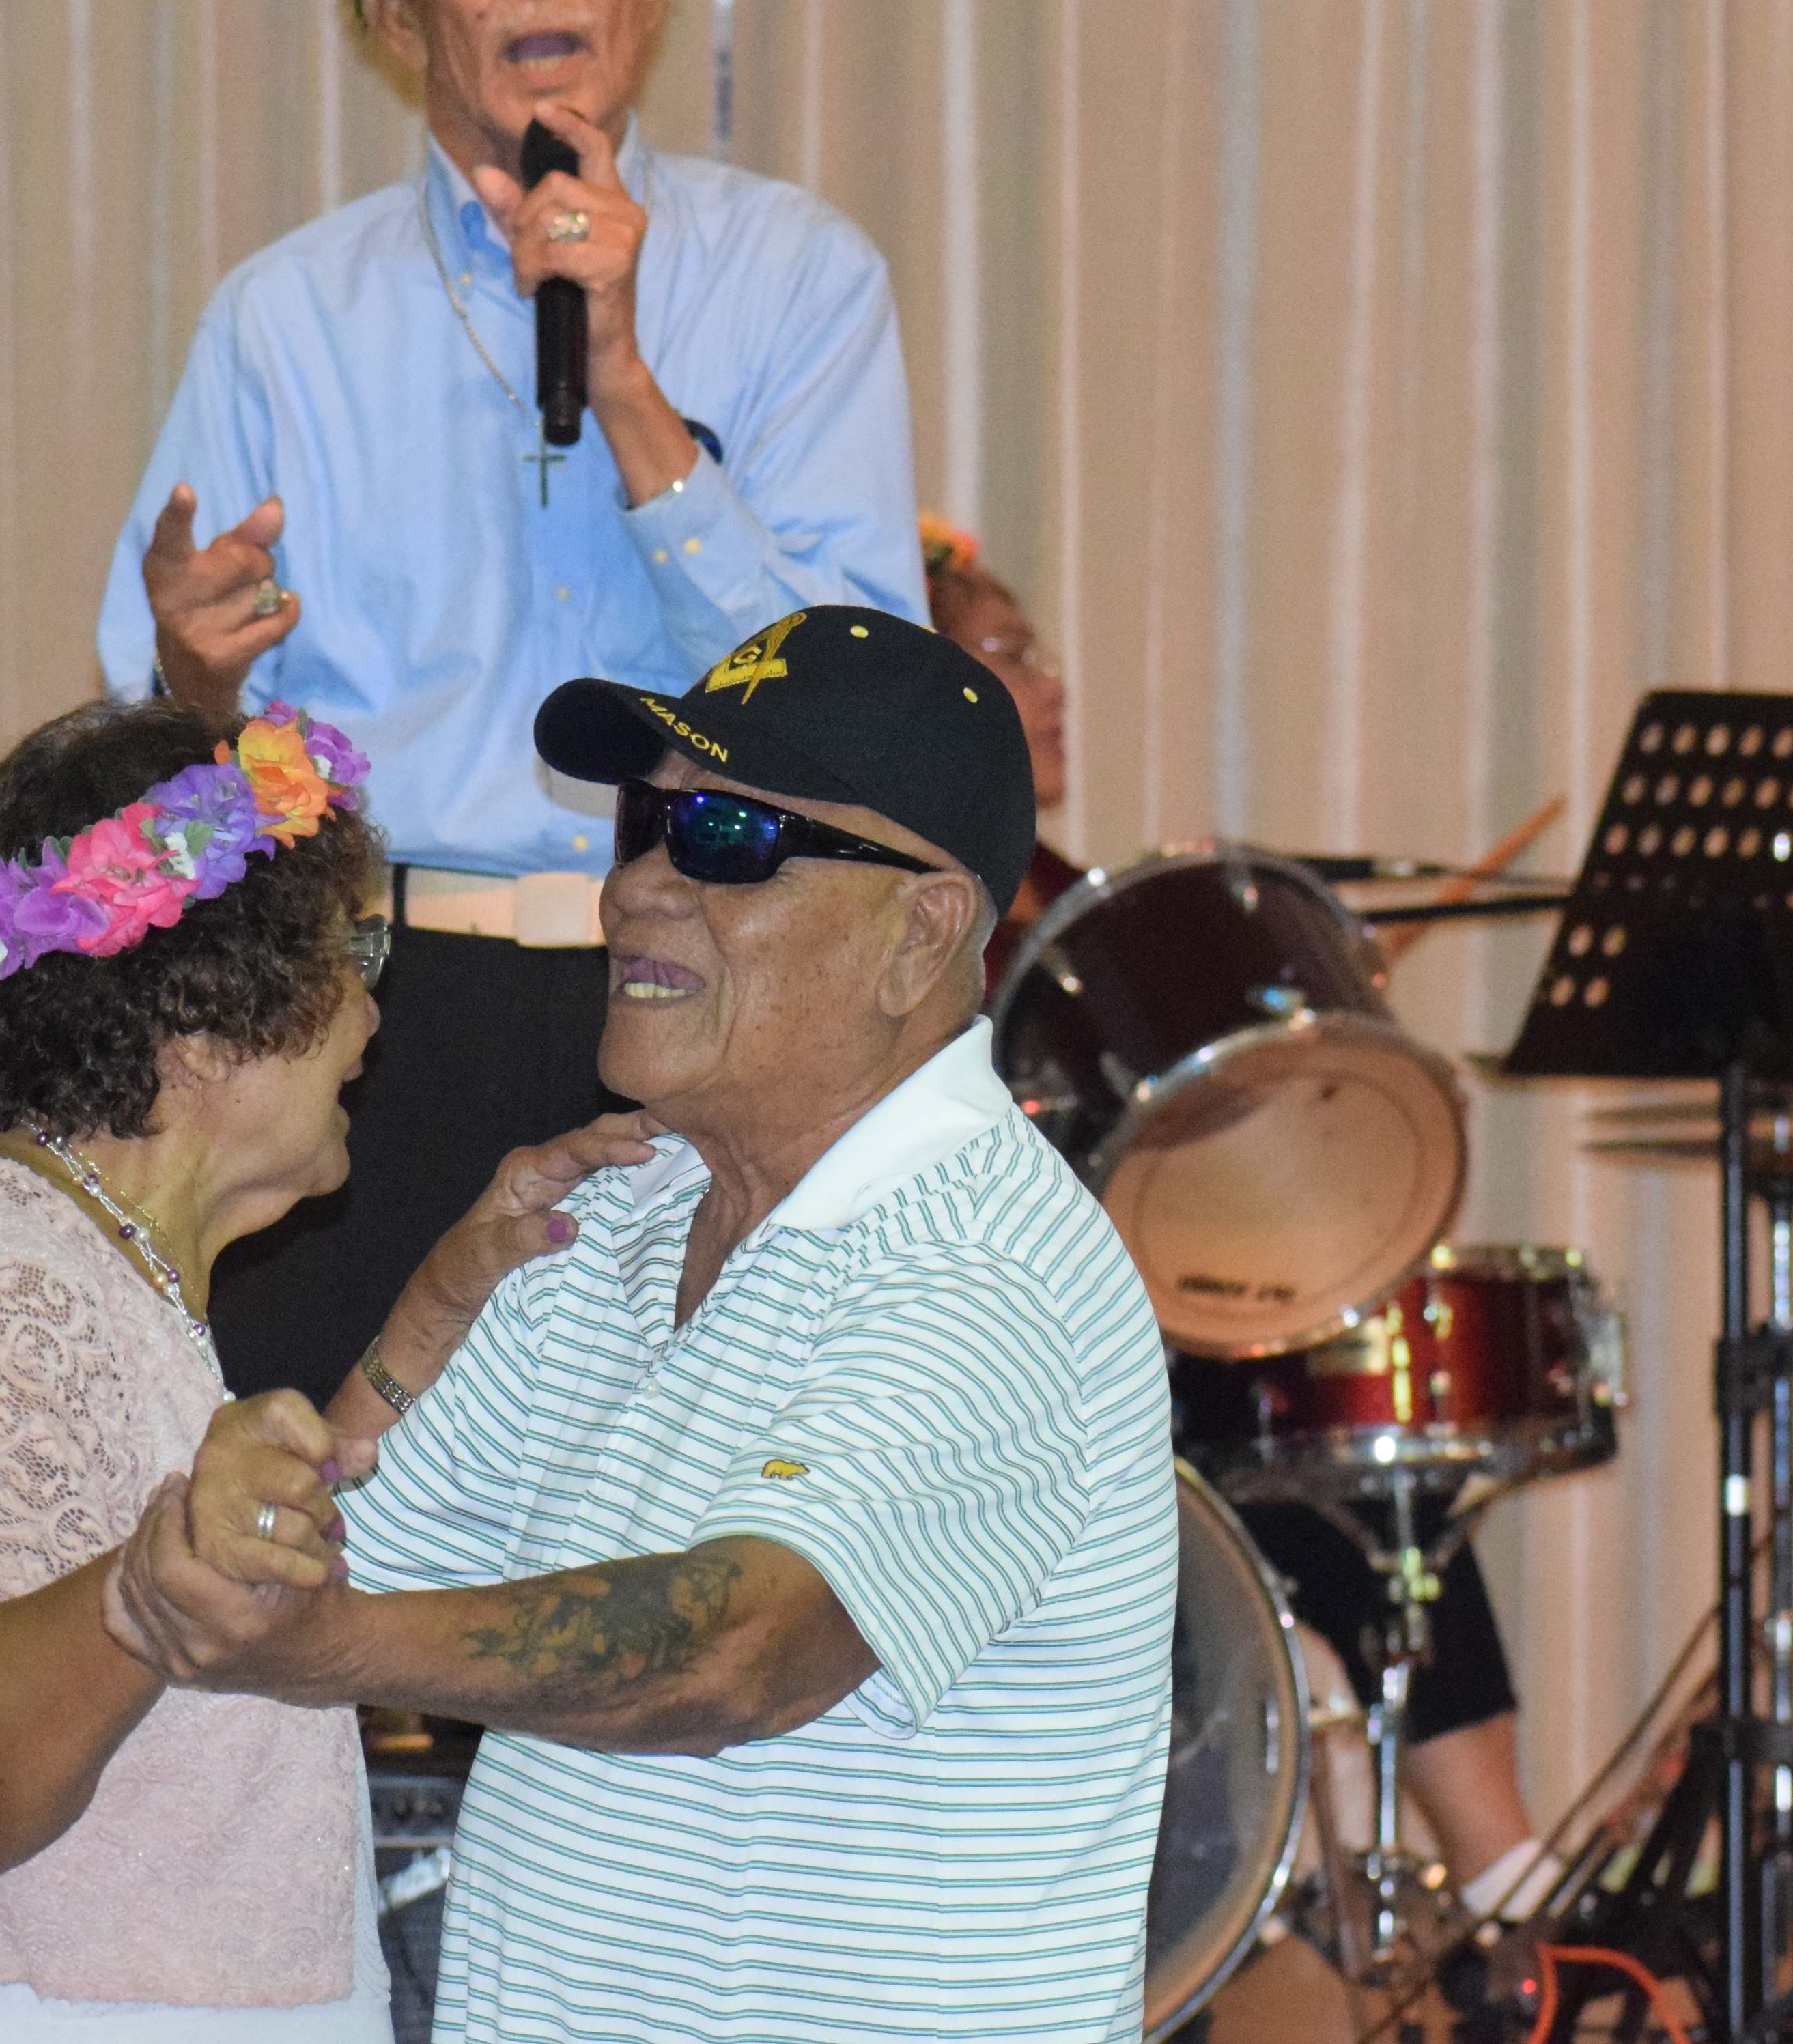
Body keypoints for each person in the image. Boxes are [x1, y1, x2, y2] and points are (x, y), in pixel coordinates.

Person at [107, 608, 1175, 2043]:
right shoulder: (616, 1206)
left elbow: (739, 1647)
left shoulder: (988, 1256)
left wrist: (320, 1645)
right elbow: (332, 1568)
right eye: (647, 826)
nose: (635, 890)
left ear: (920, 930)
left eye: (726, 837)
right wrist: (429, 1313)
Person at [96, 0, 921, 1410]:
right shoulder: (287, 317)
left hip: (722, 976)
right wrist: (193, 680)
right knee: (334, 1504)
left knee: (674, 1520)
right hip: (383, 1019)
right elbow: (157, 738)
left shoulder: (796, 278)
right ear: (400, 21)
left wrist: (623, 380)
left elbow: (854, 708)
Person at [0, 694, 444, 2036]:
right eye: (356, 949)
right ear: (205, 1009)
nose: (368, 1015)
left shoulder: (38, 1251)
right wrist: (143, 1597)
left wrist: (446, 1308)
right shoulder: (1, 1282)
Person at [917, 516, 1555, 1925]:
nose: (1055, 685)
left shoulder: (1060, 891)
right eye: (1014, 654)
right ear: (938, 690)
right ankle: (1499, 1884)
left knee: (1373, 1434)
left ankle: (1496, 1881)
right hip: (1019, 1367)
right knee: (1327, 1443)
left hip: (1141, 1331)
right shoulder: (933, 907)